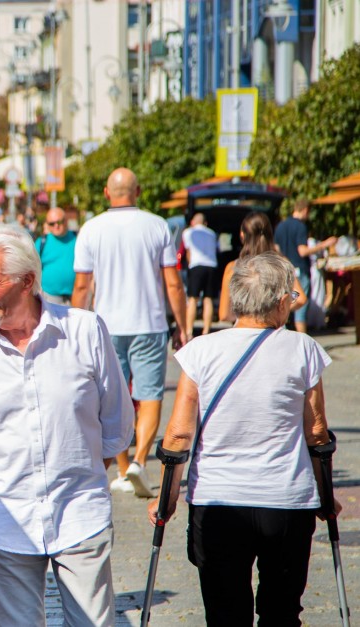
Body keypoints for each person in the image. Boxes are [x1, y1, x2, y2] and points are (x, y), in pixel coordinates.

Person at [0, 225, 134, 627]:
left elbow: (117, 424)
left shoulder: (84, 331)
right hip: (4, 519)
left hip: (79, 513)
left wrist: (78, 469)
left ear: (28, 281)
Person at [148, 251, 336, 625]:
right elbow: (317, 432)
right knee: (282, 613)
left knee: (224, 614)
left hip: (218, 503)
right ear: (281, 302)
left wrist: (166, 502)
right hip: (285, 502)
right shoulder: (304, 350)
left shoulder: (200, 351)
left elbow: (179, 435)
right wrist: (325, 498)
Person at [71, 167, 188, 498]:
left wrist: (78, 326)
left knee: (112, 399)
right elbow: (173, 282)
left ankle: (122, 470)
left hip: (105, 326)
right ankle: (139, 461)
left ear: (107, 193)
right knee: (150, 394)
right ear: (138, 192)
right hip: (149, 322)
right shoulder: (157, 225)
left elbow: (82, 286)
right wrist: (181, 325)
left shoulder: (91, 229)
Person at [219, 212, 308, 323]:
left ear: (242, 234)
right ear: (270, 234)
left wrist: (245, 317)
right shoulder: (281, 263)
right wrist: (278, 312)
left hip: (245, 332)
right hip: (274, 329)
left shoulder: (234, 267)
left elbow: (224, 315)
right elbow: (300, 298)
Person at [275, 199, 337, 333]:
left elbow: (276, 248)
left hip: (284, 271)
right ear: (305, 210)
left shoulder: (280, 226)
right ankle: (302, 340)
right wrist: (323, 245)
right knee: (300, 306)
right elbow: (302, 251)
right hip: (299, 271)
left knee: (287, 303)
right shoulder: (300, 226)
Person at [182, 213, 219, 336]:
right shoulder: (212, 233)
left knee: (193, 298)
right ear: (205, 223)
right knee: (208, 299)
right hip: (211, 265)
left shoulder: (188, 232)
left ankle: (189, 330)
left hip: (196, 265)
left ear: (193, 222)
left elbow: (188, 253)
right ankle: (206, 330)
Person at [34, 207, 76, 305]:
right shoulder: (41, 242)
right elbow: (33, 267)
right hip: (49, 296)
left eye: (59, 222)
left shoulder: (78, 239)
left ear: (66, 221)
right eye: (52, 224)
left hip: (76, 295)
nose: (56, 226)